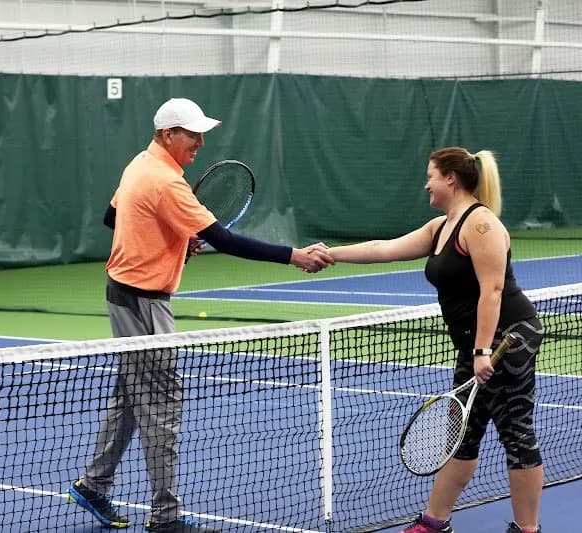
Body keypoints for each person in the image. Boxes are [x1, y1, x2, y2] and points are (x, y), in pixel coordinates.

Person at [68, 97, 334, 533]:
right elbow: (225, 241)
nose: (200, 141)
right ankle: (166, 516)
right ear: (167, 134)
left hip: (123, 295)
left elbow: (112, 216)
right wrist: (294, 256)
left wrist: (172, 239)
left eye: (201, 133)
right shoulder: (166, 183)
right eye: (192, 133)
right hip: (144, 303)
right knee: (161, 408)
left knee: (133, 399)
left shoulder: (139, 165)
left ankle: (94, 484)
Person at [327, 147, 544, 533]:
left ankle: (527, 530)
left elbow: (492, 291)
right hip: (474, 345)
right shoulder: (441, 227)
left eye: (430, 175)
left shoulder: (482, 226)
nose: (426, 183)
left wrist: (481, 352)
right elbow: (384, 249)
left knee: (516, 434)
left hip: (508, 340)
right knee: (461, 434)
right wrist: (330, 254)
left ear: (450, 178)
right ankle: (433, 523)